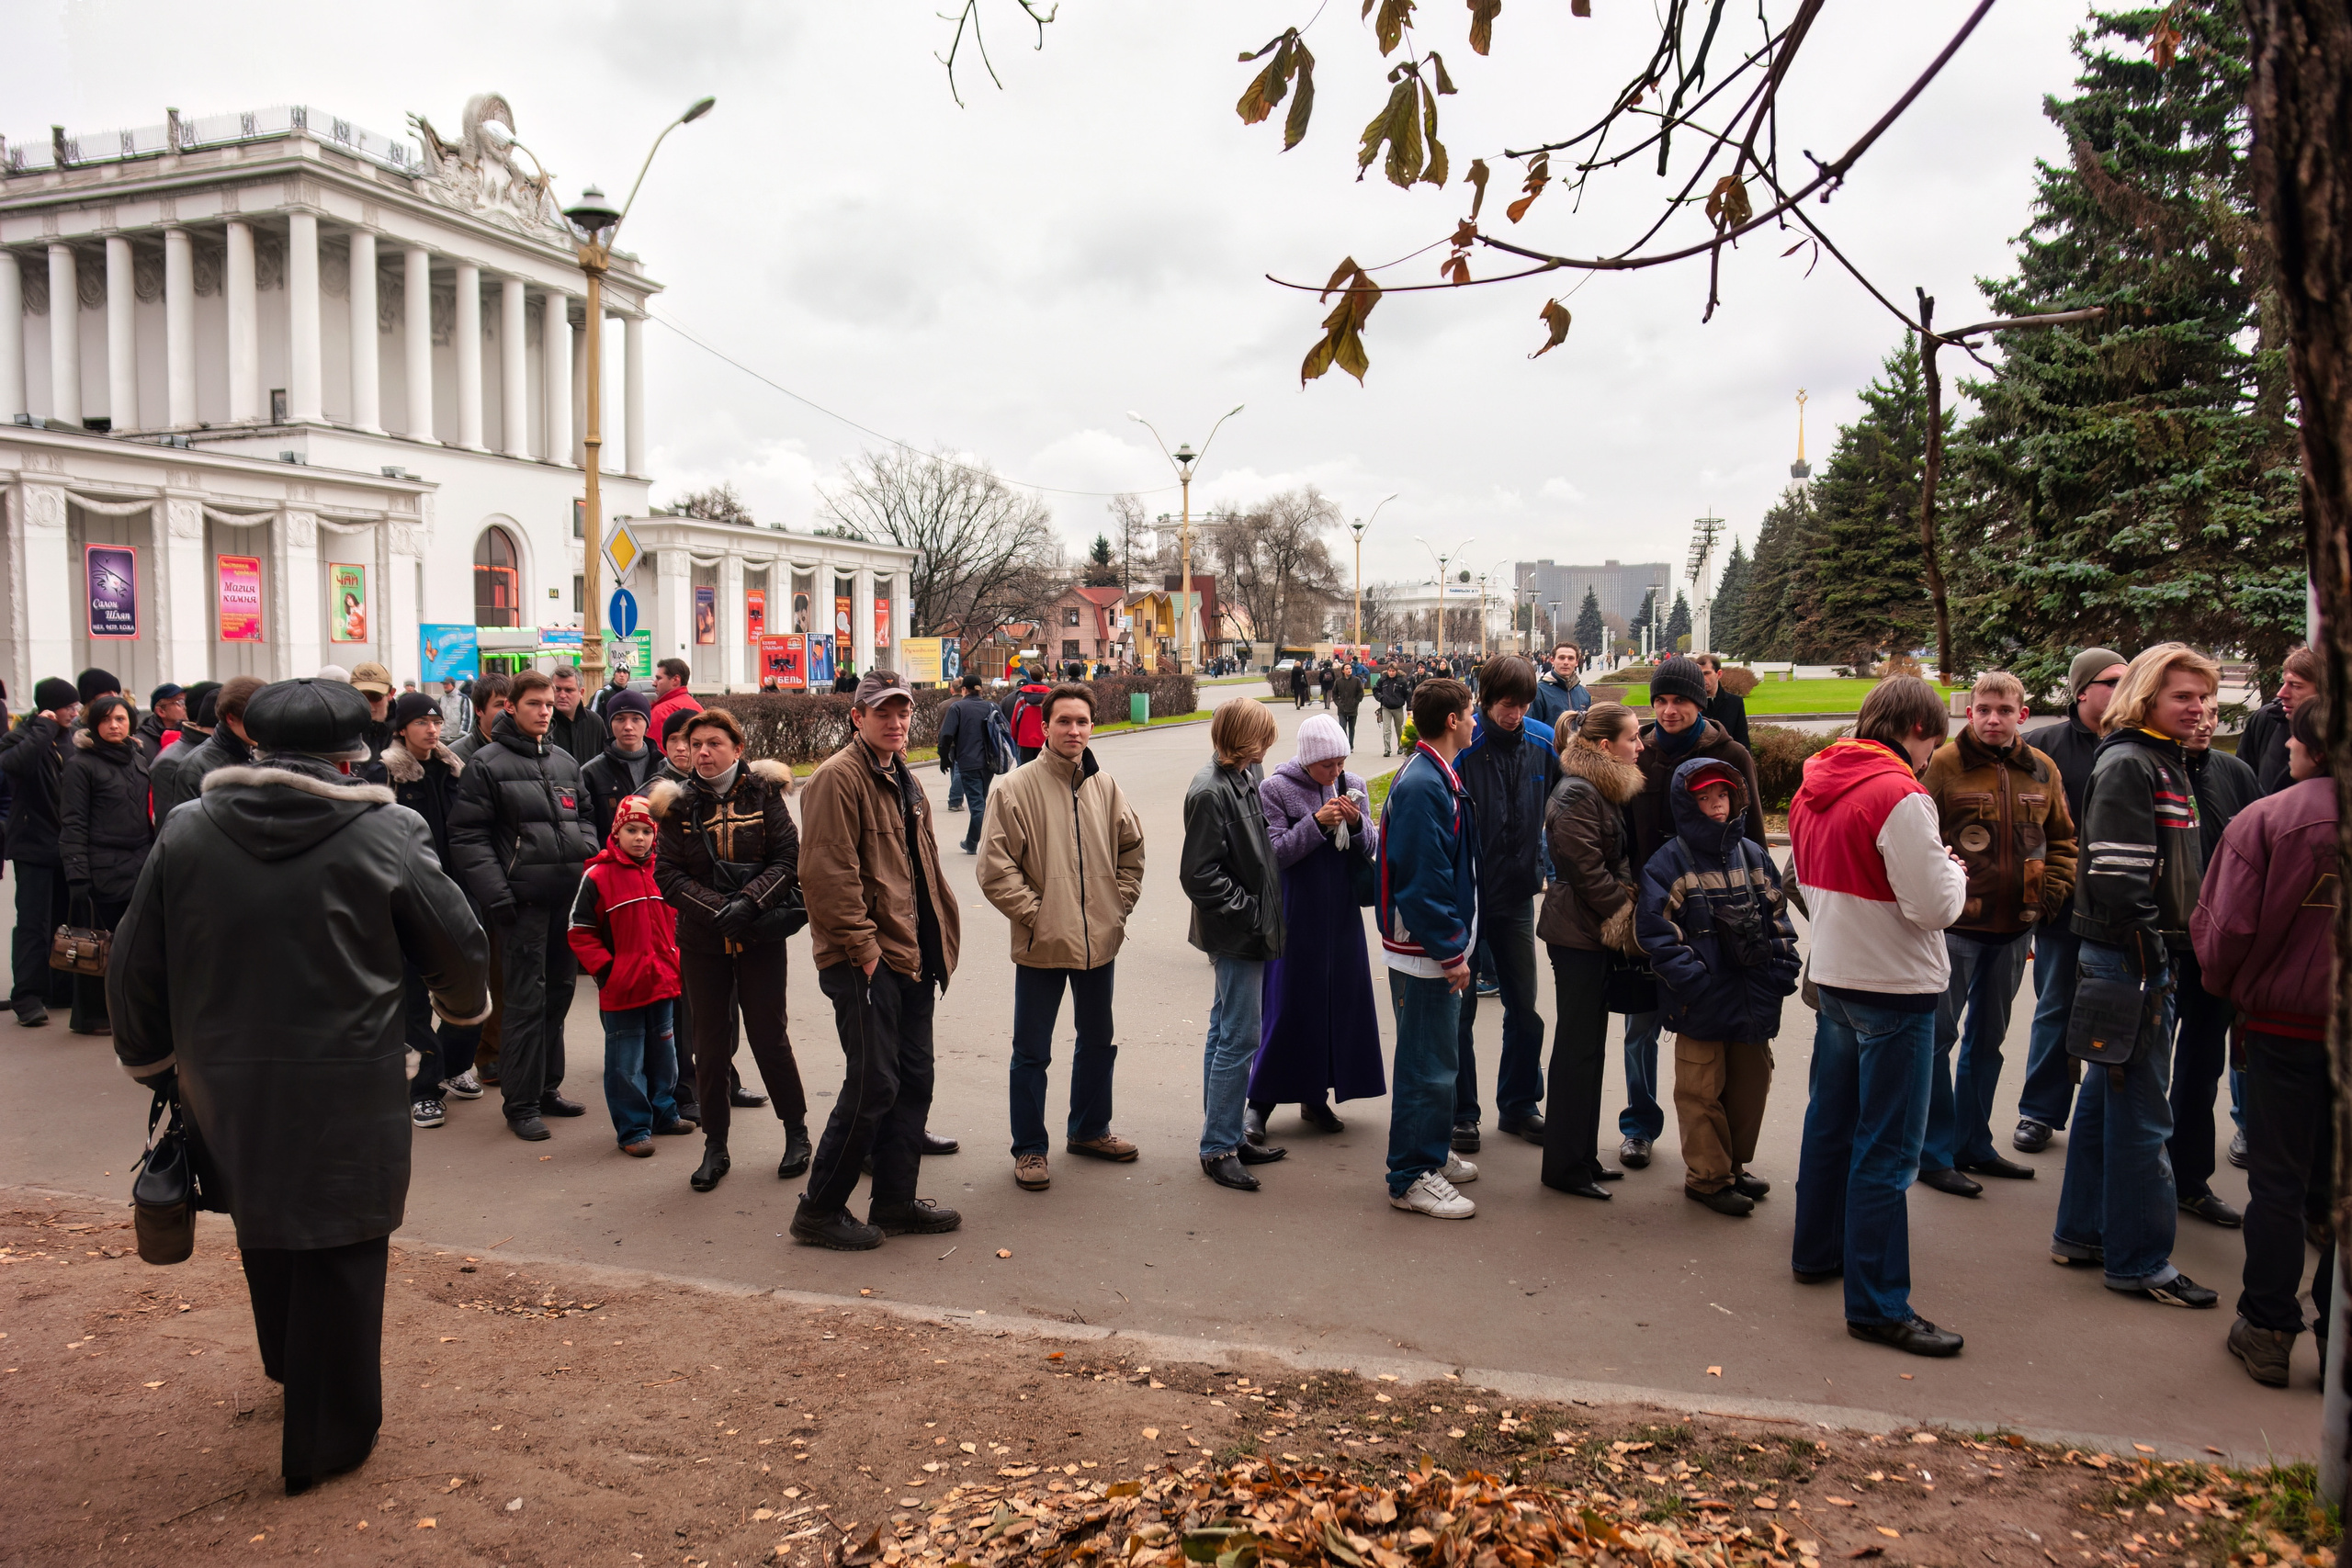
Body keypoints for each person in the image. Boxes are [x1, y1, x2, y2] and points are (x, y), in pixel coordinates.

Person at [110, 676, 488, 1495]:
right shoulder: (390, 831)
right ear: (352, 756)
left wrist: (152, 1061)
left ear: (253, 742)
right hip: (351, 1078)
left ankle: (290, 1368)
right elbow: (457, 947)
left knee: (266, 1220)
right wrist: (462, 1012)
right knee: (347, 1245)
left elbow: (135, 960)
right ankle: (332, 1430)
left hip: (225, 1078)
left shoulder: (187, 829)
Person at [1789, 675, 1970, 1357]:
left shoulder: (1815, 783)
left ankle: (1817, 1250)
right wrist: (1956, 871)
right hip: (1895, 985)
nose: (1929, 759)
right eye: (1931, 743)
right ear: (1918, 730)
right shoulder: (1901, 793)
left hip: (1836, 973)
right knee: (1887, 1149)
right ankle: (1877, 1303)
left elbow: (1806, 879)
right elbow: (1935, 906)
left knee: (1830, 1124)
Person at [2051, 641, 2223, 1309]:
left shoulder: (2162, 761)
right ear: (2149, 696)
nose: (2200, 707)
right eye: (2184, 695)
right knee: (2144, 1117)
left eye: (2205, 697)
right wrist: (2155, 961)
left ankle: (2083, 1233)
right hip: (2134, 960)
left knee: (2105, 1100)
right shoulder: (2132, 763)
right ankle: (2141, 1261)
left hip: (2136, 958)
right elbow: (2121, 883)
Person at [794, 670, 964, 1249]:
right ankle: (818, 1210)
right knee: (873, 1084)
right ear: (857, 717)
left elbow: (920, 870)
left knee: (914, 1080)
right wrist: (865, 954)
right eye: (882, 713)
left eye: (902, 712)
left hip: (912, 953)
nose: (895, 722)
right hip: (864, 959)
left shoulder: (903, 777)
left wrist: (937, 942)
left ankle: (893, 1201)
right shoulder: (836, 780)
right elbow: (826, 875)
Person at [2195, 702, 2338, 1386]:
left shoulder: (2272, 818)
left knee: (2276, 1181)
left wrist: (2232, 989)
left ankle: (2269, 1324)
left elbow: (2225, 926)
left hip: (2285, 1025)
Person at [978, 683, 1147, 1190]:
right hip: (1042, 944)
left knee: (1098, 1041)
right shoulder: (1013, 788)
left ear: (1092, 725)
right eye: (1064, 722)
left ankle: (1090, 1129)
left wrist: (1116, 908)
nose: (1074, 730)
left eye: (1082, 721)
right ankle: (1029, 1148)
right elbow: (995, 869)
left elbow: (1131, 853)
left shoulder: (1106, 786)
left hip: (1100, 941)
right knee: (1032, 1050)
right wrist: (1040, 916)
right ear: (1044, 727)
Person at [1915, 671, 2078, 1198]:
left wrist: (2047, 898)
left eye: (2004, 710)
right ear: (1969, 712)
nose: (1992, 719)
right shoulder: (1942, 765)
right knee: (1939, 1040)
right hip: (1956, 930)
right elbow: (1918, 838)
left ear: (2022, 716)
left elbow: (2064, 840)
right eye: (1983, 708)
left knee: (1989, 1044)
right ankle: (1933, 1152)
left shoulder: (2042, 769)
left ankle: (1974, 1144)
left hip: (2014, 933)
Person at [650, 708, 811, 1191]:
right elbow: (667, 875)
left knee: (769, 1037)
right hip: (702, 941)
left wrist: (748, 903)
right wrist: (718, 908)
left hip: (760, 936)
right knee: (710, 1046)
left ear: (737, 749)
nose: (702, 752)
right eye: (695, 743)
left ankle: (797, 1133)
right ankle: (715, 1146)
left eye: (713, 743)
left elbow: (788, 858)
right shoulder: (677, 804)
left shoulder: (765, 792)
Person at [1620, 655, 1765, 1170]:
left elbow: (1753, 839)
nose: (1668, 710)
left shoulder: (1729, 754)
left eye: (1679, 699)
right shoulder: (1640, 753)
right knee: (1641, 1028)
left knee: (1719, 1036)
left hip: (1717, 914)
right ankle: (1639, 1124)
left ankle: (1723, 1154)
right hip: (1651, 910)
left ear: (1700, 702)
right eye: (1660, 700)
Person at [1637, 758, 1801, 1216]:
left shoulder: (1752, 853)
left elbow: (1779, 917)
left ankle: (1733, 1165)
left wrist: (1782, 970)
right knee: (1701, 1092)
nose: (1715, 805)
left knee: (1751, 1087)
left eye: (1722, 795)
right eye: (1703, 798)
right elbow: (1655, 932)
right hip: (1701, 1006)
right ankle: (1708, 1179)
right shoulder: (1668, 862)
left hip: (1753, 1001)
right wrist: (1696, 983)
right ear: (1686, 805)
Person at [446, 669, 597, 1140]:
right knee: (525, 1003)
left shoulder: (565, 763)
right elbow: (467, 837)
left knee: (558, 997)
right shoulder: (487, 764)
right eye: (535, 703)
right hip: (520, 905)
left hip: (565, 904)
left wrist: (584, 855)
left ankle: (547, 1088)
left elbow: (588, 817)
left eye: (550, 704)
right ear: (511, 707)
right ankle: (521, 1102)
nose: (545, 711)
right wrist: (498, 894)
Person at [2014, 646, 2128, 1153]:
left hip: (2122, 911)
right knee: (2056, 1006)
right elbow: (2019, 823)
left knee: (2115, 1013)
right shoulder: (2044, 745)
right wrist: (2040, 892)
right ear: (2082, 690)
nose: (2124, 688)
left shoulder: (2139, 744)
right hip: (2062, 908)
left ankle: (2107, 1117)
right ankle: (2040, 1111)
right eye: (2112, 680)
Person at [1250, 713, 1384, 1142]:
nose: (1336, 772)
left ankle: (1316, 1097)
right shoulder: (1275, 788)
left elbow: (1376, 847)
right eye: (1328, 765)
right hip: (1297, 913)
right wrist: (1317, 824)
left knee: (1338, 1005)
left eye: (1341, 762)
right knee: (1290, 1005)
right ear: (1308, 760)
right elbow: (1273, 855)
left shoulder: (1354, 784)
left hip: (1341, 914)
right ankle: (1259, 1103)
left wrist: (1359, 823)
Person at [1377, 677, 1483, 1218]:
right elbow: (1423, 878)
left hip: (1430, 947)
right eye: (1471, 711)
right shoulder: (1424, 783)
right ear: (1452, 721)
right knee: (1425, 1064)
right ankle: (1410, 1175)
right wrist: (1449, 951)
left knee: (1437, 1058)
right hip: (1423, 951)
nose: (1475, 719)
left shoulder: (1435, 773)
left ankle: (1430, 1153)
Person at [1179, 698, 1290, 1191]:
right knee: (1238, 1037)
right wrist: (1249, 913)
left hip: (1244, 927)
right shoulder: (1211, 790)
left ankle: (1222, 1133)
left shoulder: (1244, 775)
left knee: (1225, 1030)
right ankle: (1219, 1146)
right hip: (1237, 932)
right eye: (1262, 736)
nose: (1268, 744)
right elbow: (1199, 874)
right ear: (1246, 738)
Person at [1451, 655, 1561, 1151]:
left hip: (1519, 895)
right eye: (1503, 705)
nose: (1512, 714)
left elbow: (1564, 807)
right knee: (1462, 1010)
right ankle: (1462, 1114)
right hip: (1469, 898)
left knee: (1525, 1007)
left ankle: (1519, 1105)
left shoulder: (1541, 742)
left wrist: (1551, 871)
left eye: (1521, 705)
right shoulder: (1465, 748)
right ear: (1486, 698)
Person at [1537, 702, 1643, 1199]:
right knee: (1576, 1052)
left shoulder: (1598, 787)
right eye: (1632, 739)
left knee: (1588, 1051)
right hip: (1579, 934)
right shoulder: (1578, 792)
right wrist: (1625, 912)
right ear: (1606, 746)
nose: (1640, 747)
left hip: (1588, 930)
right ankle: (1564, 1167)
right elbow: (1585, 869)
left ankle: (1580, 1155)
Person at [2170, 691, 2261, 1225]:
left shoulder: (2235, 774)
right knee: (2139, 1071)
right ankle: (2136, 1174)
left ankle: (2188, 1180)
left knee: (2202, 1068)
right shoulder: (2146, 768)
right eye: (2193, 710)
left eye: (2212, 713)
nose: (2204, 722)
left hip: (2218, 951)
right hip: (2160, 945)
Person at [571, 793, 688, 1156]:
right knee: (626, 1064)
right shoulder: (598, 875)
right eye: (631, 830)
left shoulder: (664, 872)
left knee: (665, 1056)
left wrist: (679, 962)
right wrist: (608, 972)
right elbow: (580, 930)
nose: (640, 838)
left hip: (663, 983)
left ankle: (664, 1114)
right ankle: (633, 1129)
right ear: (616, 833)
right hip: (622, 990)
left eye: (647, 832)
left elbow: (681, 921)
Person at [383, 691, 472, 1130]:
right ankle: (424, 1090)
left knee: (468, 990)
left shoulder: (454, 768)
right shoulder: (387, 774)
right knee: (415, 1000)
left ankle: (451, 1066)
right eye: (421, 722)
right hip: (405, 899)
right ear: (402, 728)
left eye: (436, 721)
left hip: (454, 895)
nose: (432, 729)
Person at [59, 694, 154, 1036]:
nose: (114, 726)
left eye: (121, 719)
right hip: (100, 865)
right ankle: (93, 1016)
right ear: (94, 724)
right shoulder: (80, 764)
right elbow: (73, 822)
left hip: (138, 861)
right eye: (106, 720)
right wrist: (77, 874)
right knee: (98, 945)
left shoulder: (138, 757)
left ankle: (128, 1013)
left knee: (134, 945)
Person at [2, 677, 81, 1027]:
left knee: (67, 922)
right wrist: (42, 729)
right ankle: (28, 995)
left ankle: (60, 987)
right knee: (34, 923)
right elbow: (15, 766)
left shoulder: (74, 738)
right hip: (33, 844)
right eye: (68, 707)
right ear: (49, 708)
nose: (74, 713)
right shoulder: (23, 737)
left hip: (66, 844)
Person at [580, 688, 659, 844]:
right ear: (610, 724)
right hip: (610, 861)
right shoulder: (591, 773)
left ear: (647, 723)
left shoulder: (664, 769)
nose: (628, 726)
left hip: (658, 863)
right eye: (620, 719)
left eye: (636, 719)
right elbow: (585, 823)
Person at [937, 673, 1005, 852]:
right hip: (989, 762)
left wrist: (944, 758)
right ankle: (973, 840)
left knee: (977, 805)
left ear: (964, 689)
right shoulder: (991, 706)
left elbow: (946, 735)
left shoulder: (958, 708)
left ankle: (977, 841)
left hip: (968, 761)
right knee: (981, 799)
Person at [2236, 646, 2318, 795]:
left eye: (2296, 685)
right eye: (2284, 682)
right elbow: (2240, 784)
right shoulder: (2266, 719)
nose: (2281, 693)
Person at [148, 681, 220, 818]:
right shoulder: (168, 759)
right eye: (179, 702)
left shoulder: (226, 750)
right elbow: (169, 820)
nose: (183, 707)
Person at [548, 664, 609, 763]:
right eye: (557, 689)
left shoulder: (595, 722)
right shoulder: (543, 723)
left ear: (581, 692)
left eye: (569, 690)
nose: (563, 695)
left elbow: (604, 762)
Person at [349, 662, 396, 781]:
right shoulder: (341, 729)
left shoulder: (407, 729)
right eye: (361, 697)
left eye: (375, 697)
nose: (368, 704)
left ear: (391, 694)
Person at [448, 672, 510, 763]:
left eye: (510, 705)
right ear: (479, 710)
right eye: (500, 705)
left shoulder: (526, 749)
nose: (507, 711)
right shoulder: (455, 756)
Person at [1532, 642, 1591, 729]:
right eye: (1561, 658)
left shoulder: (1584, 694)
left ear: (1576, 662)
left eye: (1571, 658)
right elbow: (1532, 728)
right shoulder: (1538, 691)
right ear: (1552, 660)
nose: (1566, 662)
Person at [1002, 670, 1053, 764]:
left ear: (1030, 676)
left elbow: (1016, 718)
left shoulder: (1022, 695)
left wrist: (1014, 737)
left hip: (1025, 739)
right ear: (1043, 676)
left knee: (1025, 770)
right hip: (1044, 738)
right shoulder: (1050, 696)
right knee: (1043, 769)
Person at [134, 682, 186, 761]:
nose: (185, 707)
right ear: (161, 711)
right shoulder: (142, 743)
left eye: (186, 701)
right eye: (180, 702)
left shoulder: (187, 735)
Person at [1374, 662, 1411, 758]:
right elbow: (1375, 689)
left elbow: (1407, 694)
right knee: (1387, 729)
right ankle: (1387, 749)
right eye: (1390, 671)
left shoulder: (1401, 681)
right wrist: (1381, 698)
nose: (1391, 673)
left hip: (1398, 708)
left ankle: (1400, 746)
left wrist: (1409, 708)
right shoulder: (1383, 680)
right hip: (1386, 707)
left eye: (1393, 671)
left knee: (1399, 728)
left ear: (1396, 671)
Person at [1331, 661, 1366, 746]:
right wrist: (1339, 703)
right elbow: (1334, 694)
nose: (1349, 670)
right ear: (1343, 671)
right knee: (1342, 727)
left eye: (1350, 668)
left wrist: (1356, 702)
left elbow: (1360, 693)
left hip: (1353, 708)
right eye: (1347, 669)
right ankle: (1344, 744)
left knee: (1351, 728)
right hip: (1342, 708)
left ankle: (1350, 745)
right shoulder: (1339, 681)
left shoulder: (1356, 680)